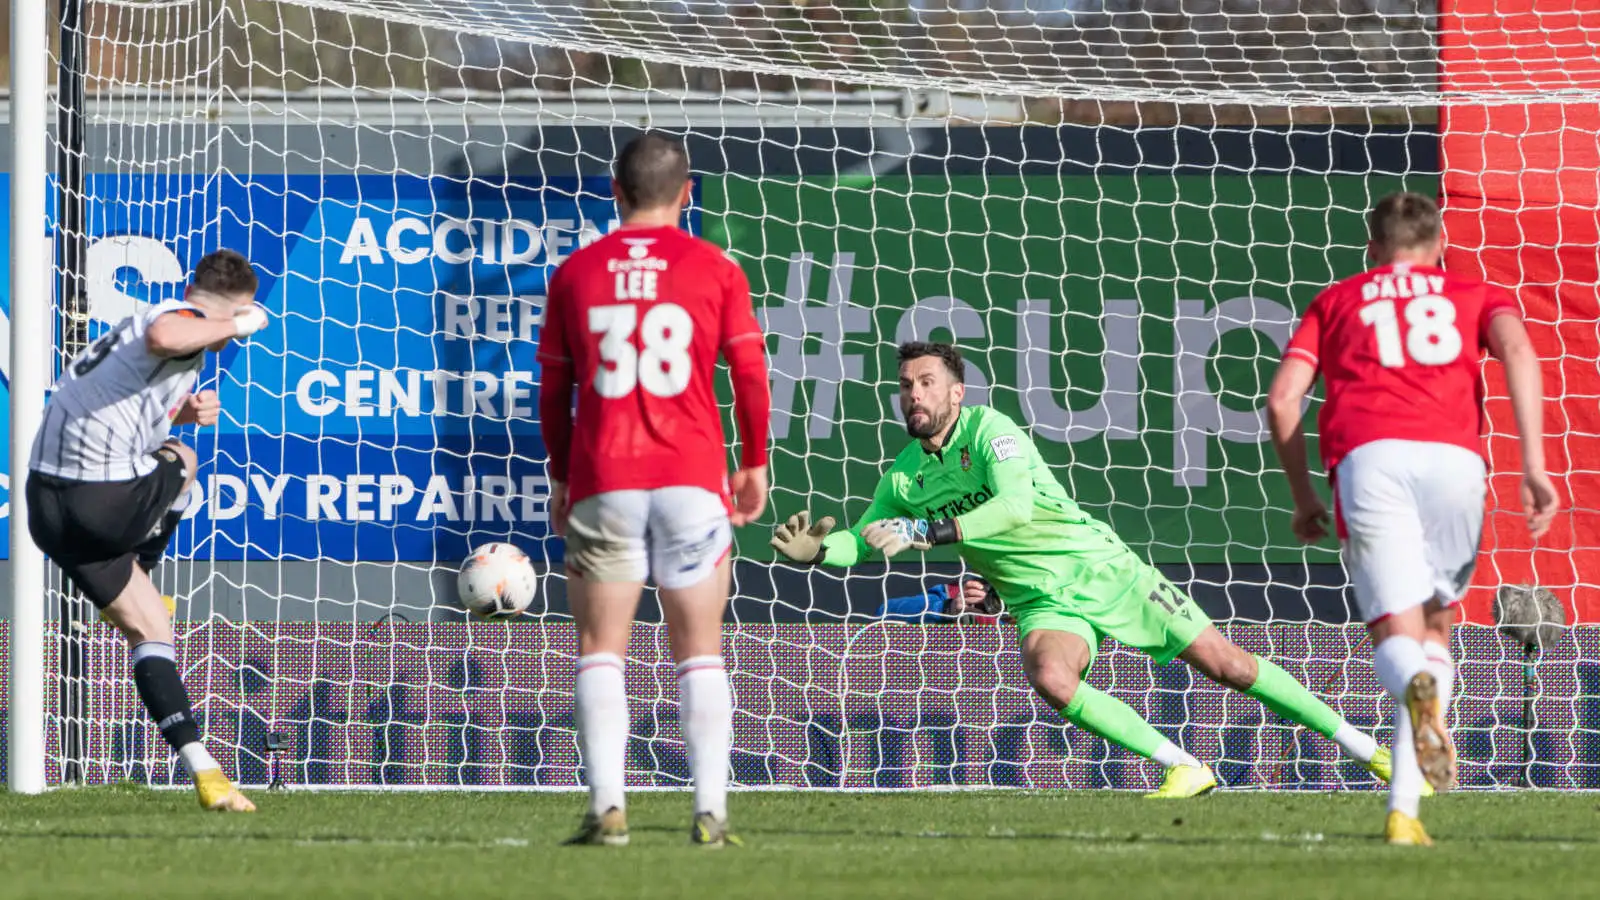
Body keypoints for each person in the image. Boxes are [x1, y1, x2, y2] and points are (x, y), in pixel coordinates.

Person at [771, 341, 1395, 798]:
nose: (915, 394)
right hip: (1038, 600)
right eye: (907, 385)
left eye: (927, 383)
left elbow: (1013, 508)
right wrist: (822, 553)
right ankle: (1185, 766)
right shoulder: (904, 474)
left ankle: (1369, 751)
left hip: (1102, 568)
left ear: (955, 392)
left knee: (1227, 666)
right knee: (1050, 676)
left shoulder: (993, 431)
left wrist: (929, 532)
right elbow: (864, 536)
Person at [1266, 191, 1558, 846]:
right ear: (1441, 243)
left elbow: (1284, 398)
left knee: (1398, 639)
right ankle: (1405, 815)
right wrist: (1534, 464)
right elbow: (1517, 351)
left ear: (1372, 248)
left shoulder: (1338, 300)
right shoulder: (1476, 294)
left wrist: (1303, 494)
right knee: (1437, 627)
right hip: (1455, 462)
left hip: (1371, 461)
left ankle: (1417, 701)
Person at [536, 132, 771, 847]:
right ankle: (711, 813)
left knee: (601, 646)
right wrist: (754, 462)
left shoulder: (576, 271)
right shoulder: (716, 268)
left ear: (616, 192)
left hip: (606, 476)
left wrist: (561, 474)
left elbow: (553, 389)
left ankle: (608, 807)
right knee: (700, 648)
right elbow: (751, 375)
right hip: (692, 479)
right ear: (686, 192)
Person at [26, 248, 269, 812]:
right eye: (230, 325)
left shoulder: (135, 331)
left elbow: (115, 406)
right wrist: (241, 321)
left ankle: (206, 774)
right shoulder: (175, 320)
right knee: (184, 461)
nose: (229, 341)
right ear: (219, 309)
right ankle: (145, 565)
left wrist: (178, 412)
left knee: (152, 626)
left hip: (48, 507)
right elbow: (167, 335)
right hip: (100, 501)